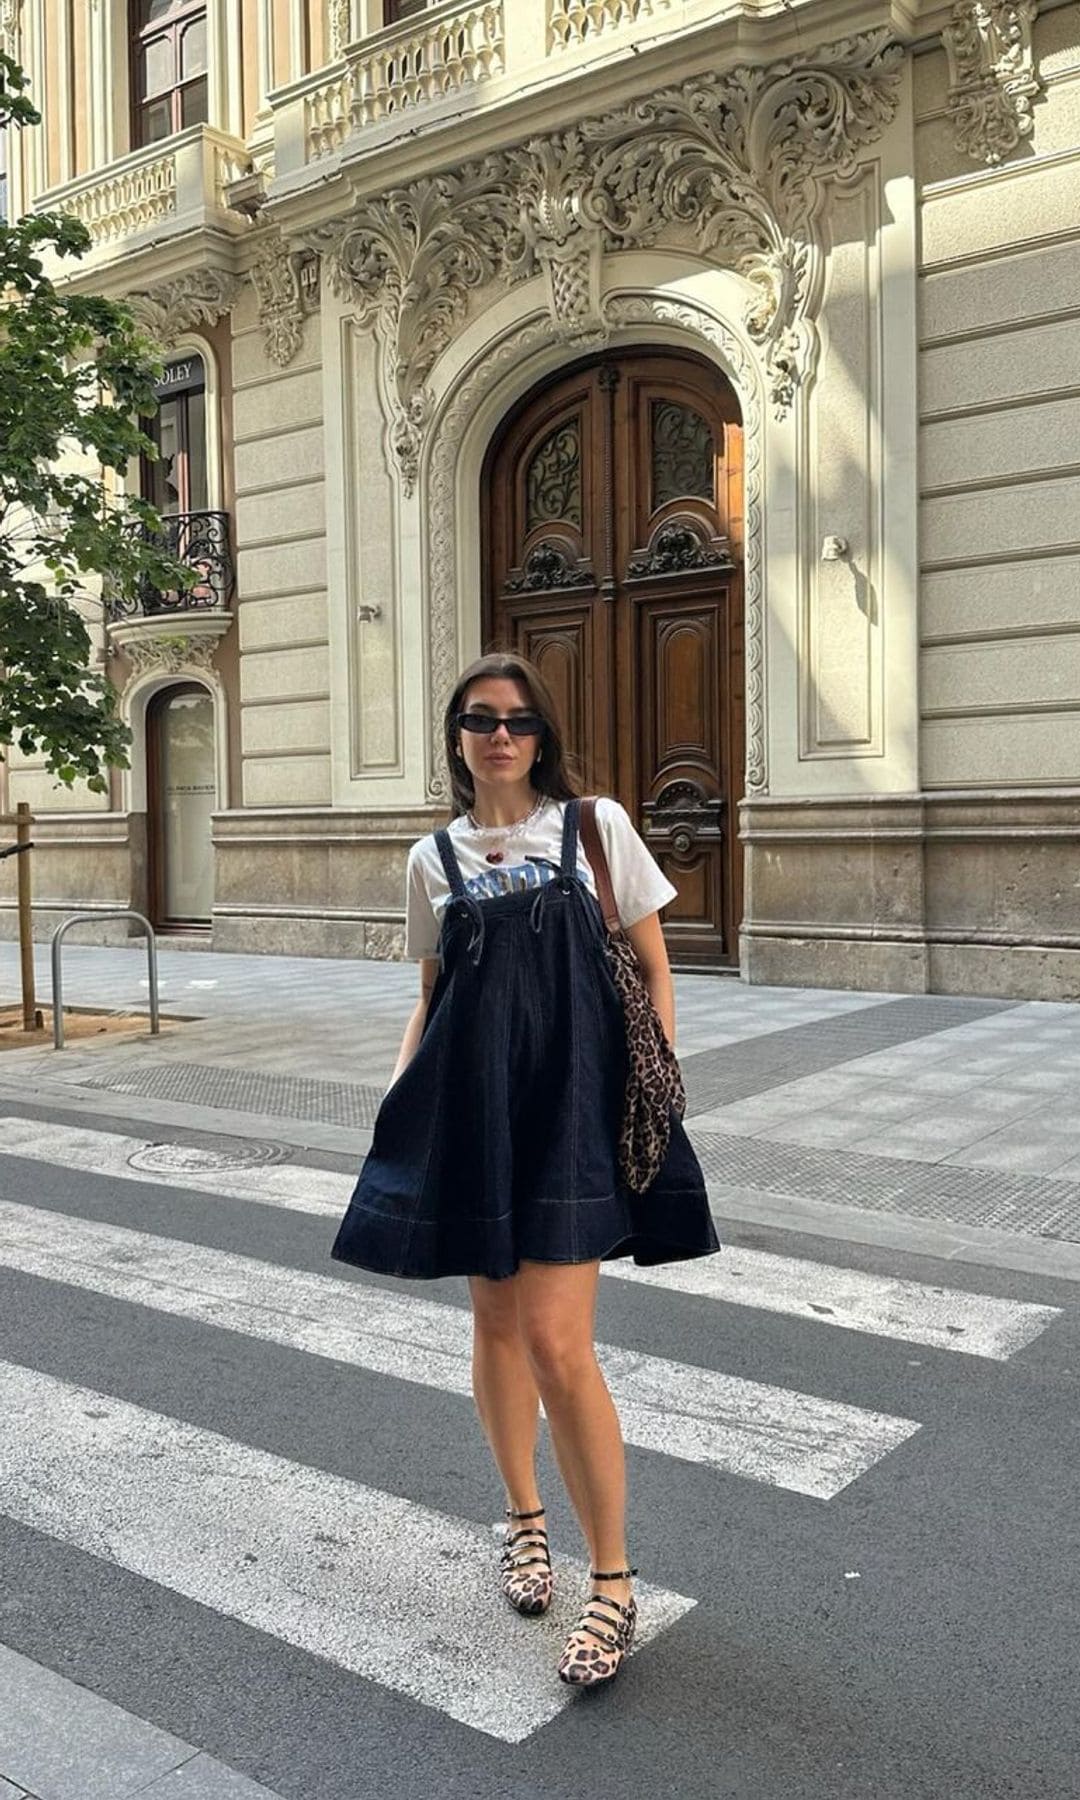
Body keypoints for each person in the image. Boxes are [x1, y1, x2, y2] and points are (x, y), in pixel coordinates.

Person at [331, 652, 720, 1689]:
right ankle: (524, 1519)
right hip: (472, 1112)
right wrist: (400, 1096)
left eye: (518, 719)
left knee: (557, 1340)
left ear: (542, 735)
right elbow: (433, 988)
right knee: (495, 1324)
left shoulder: (595, 829)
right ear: (457, 737)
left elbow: (652, 964)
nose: (500, 735)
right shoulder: (432, 858)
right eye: (479, 718)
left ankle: (615, 1581)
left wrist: (658, 1085)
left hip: (574, 1113)